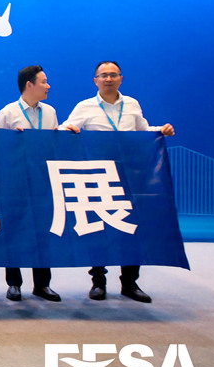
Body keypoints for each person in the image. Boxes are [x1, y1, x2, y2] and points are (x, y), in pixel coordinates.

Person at [60, 60, 174, 304]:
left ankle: (129, 282)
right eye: (103, 75)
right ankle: (98, 281)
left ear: (121, 78)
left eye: (113, 75)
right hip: (99, 177)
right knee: (98, 227)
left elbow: (142, 130)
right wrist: (68, 129)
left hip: (131, 175)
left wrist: (160, 131)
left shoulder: (132, 104)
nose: (108, 79)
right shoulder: (85, 106)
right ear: (95, 81)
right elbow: (63, 128)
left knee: (131, 228)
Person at [0, 65, 69, 302]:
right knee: (14, 231)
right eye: (44, 82)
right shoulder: (8, 113)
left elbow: (54, 145)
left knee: (43, 231)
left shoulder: (50, 112)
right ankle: (14, 283)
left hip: (43, 181)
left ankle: (42, 284)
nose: (48, 86)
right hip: (14, 183)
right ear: (29, 85)